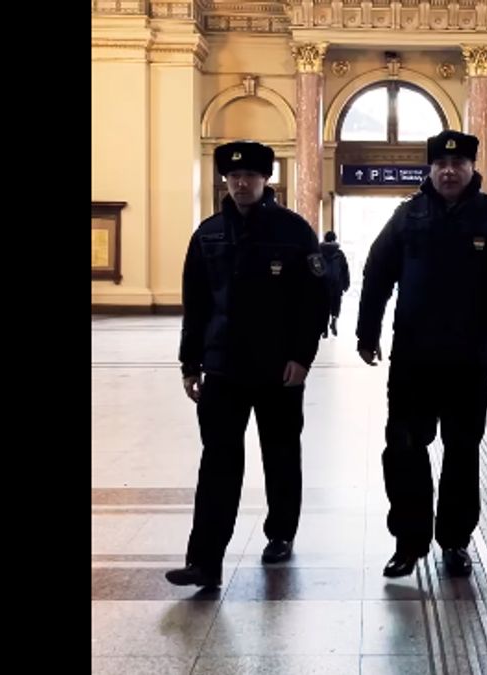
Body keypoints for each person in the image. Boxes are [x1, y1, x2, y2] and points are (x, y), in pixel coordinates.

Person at [356, 130, 487, 579]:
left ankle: (455, 541)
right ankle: (408, 541)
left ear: (473, 168)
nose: (449, 171)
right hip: (413, 358)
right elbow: (376, 274)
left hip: (470, 358)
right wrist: (366, 332)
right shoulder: (407, 216)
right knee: (403, 448)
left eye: (458, 164)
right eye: (441, 164)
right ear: (430, 169)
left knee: (461, 450)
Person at [166, 140, 329, 589]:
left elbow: (313, 301)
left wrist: (302, 357)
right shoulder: (209, 233)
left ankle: (280, 533)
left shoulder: (293, 231)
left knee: (279, 454)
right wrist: (189, 362)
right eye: (234, 177)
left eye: (250, 176)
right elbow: (195, 304)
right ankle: (205, 560)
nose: (241, 183)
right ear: (225, 180)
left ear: (265, 180)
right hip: (222, 368)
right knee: (218, 461)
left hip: (278, 369)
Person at [320, 230, 351, 337]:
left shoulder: (319, 252)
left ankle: (324, 328)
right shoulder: (339, 253)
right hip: (337, 285)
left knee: (324, 306)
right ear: (335, 239)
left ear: (325, 239)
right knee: (336, 305)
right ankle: (333, 320)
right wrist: (346, 284)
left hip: (323, 285)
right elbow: (345, 270)